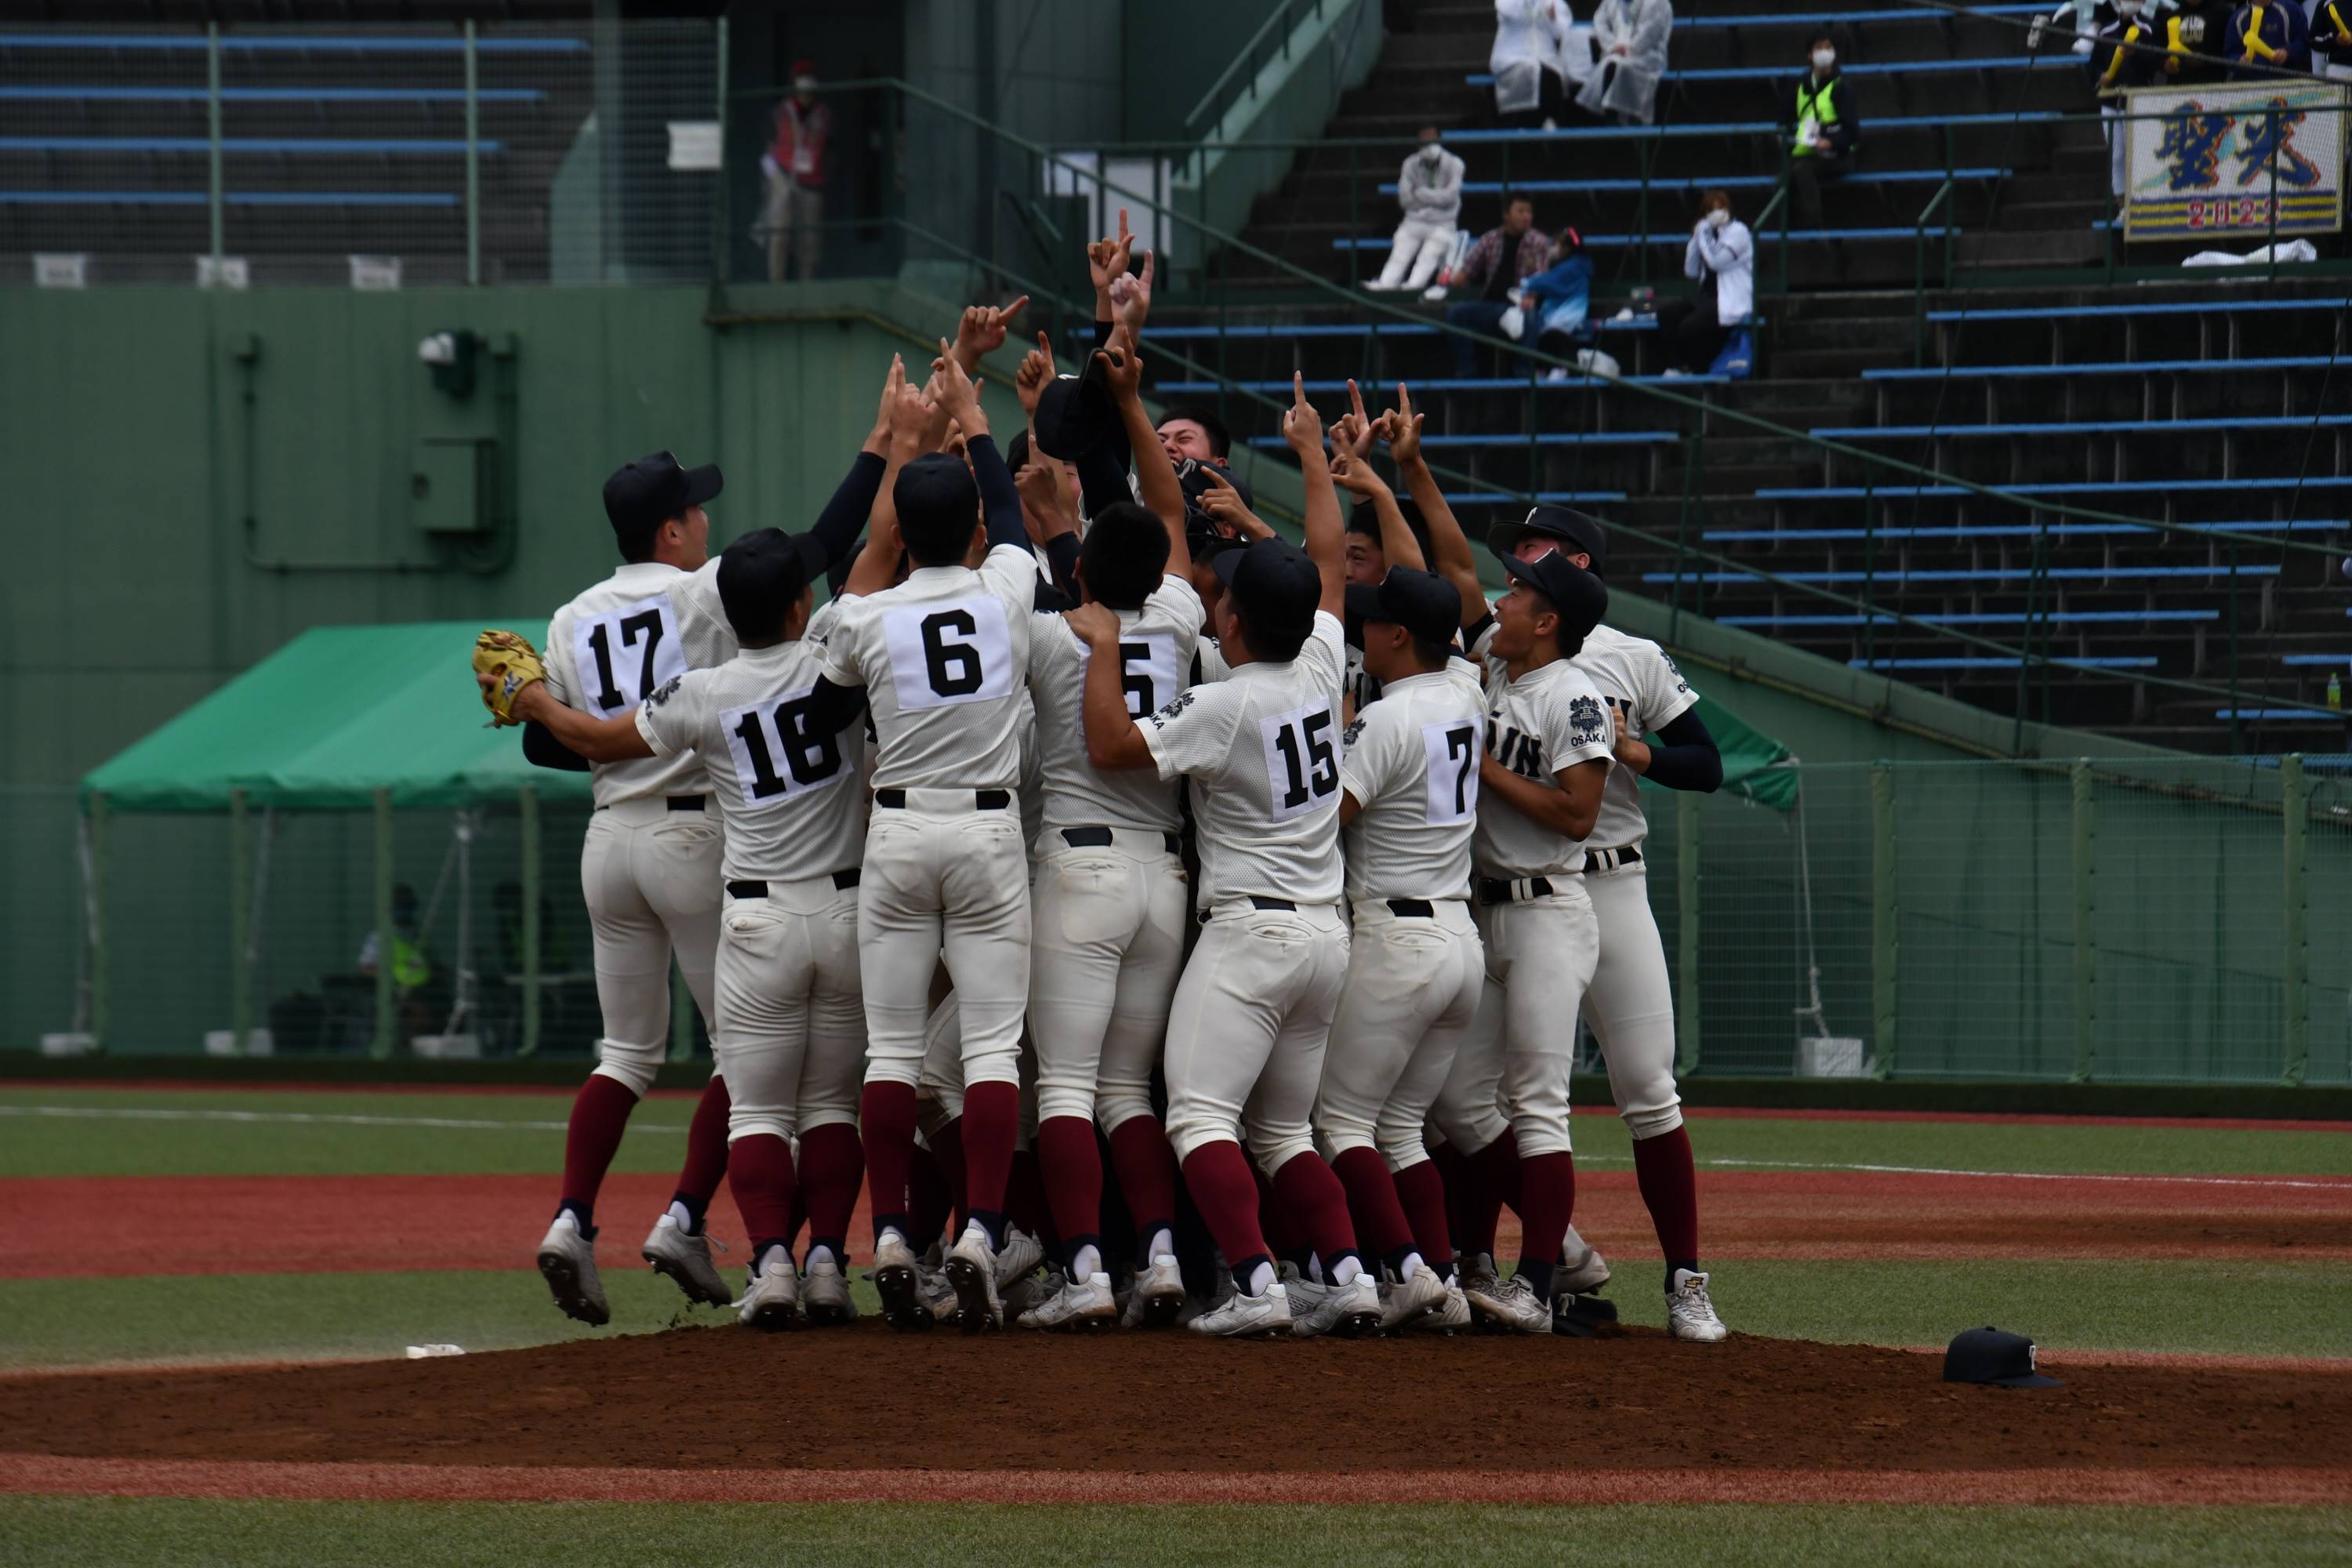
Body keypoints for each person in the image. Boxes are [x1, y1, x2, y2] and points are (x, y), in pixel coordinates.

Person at [1069, 373, 1376, 1341]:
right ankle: (1352, 1278)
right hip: (1327, 934)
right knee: (1284, 1130)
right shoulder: (1323, 664)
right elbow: (1327, 560)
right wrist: (1311, 458)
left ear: (1235, 621)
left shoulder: (1228, 699)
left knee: (1199, 1117)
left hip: (1252, 934)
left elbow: (1116, 749)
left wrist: (1106, 645)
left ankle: (1255, 1282)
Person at [808, 346, 1040, 1334]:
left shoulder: (866, 613)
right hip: (989, 831)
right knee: (989, 1049)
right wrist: (975, 419)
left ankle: (894, 1232)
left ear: (900, 528)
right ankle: (983, 1230)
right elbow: (1017, 519)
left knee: (893, 1051)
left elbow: (822, 716)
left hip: (897, 827)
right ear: (977, 531)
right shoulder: (1008, 586)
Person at [1489, 505, 1730, 1345]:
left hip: (1610, 882)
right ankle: (1541, 1259)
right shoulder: (1497, 649)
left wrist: (1642, 756)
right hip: (1514, 887)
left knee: (1648, 1087)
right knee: (1487, 1100)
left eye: (1530, 550)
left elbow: (1708, 763)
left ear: (1575, 565)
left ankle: (1685, 1281)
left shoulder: (1628, 655)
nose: (1513, 565)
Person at [523, 449, 746, 1327]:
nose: (706, 521)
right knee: (744, 1052)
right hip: (690, 832)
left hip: (607, 837)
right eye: (695, 509)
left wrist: (531, 698)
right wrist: (884, 450)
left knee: (625, 1054)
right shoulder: (705, 591)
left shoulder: (571, 615)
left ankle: (572, 1219)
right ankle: (686, 1216)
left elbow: (552, 745)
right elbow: (816, 546)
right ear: (671, 528)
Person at [1011, 334, 1200, 1332]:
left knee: (1068, 1090)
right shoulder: (1183, 614)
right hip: (1165, 879)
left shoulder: (1056, 630)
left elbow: (1037, 556)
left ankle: (1085, 1267)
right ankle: (1159, 1256)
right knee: (1132, 1091)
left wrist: (1025, 470)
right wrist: (1127, 406)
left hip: (1080, 869)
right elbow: (1165, 510)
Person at [1428, 532, 1613, 1334]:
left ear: (1548, 620)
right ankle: (1561, 1243)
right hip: (1487, 911)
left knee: (1538, 1105)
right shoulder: (1503, 667)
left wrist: (1485, 769)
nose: (1500, 599)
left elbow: (1578, 814)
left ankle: (1535, 1285)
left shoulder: (1572, 693)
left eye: (1518, 593)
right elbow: (1452, 570)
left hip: (1547, 912)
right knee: (1462, 1104)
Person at [1312, 564, 1488, 1334]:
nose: (1362, 629)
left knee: (1341, 1120)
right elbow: (1460, 656)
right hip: (1458, 939)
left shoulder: (1385, 719)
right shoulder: (1467, 693)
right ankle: (1441, 1279)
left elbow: (1327, 818)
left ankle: (1410, 1272)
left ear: (1399, 636)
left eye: (1374, 620)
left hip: (1398, 938)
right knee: (1402, 1127)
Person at [1444, 195, 1558, 378]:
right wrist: (1450, 278)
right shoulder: (1491, 239)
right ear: (1506, 214)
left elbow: (1542, 276)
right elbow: (1467, 270)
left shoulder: (1539, 242)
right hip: (1492, 307)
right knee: (1456, 314)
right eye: (1520, 211)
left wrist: (1532, 296)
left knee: (1531, 317)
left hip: (1520, 306)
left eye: (1529, 212)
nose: (1526, 216)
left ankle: (1523, 374)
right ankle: (1467, 372)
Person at [1655, 190, 1751, 376]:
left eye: (1720, 208)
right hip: (1706, 296)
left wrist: (1704, 237)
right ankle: (1680, 367)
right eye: (1710, 210)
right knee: (1667, 314)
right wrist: (1696, 238)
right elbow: (1690, 271)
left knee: (1690, 327)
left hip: (1729, 299)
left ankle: (1700, 370)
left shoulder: (1738, 232)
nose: (1715, 213)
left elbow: (1716, 262)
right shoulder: (1705, 234)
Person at [1369, 128, 1466, 293]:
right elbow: (1405, 200)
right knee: (1401, 249)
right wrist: (1435, 199)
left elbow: (1450, 197)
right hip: (1415, 220)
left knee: (1429, 254)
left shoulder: (1455, 164)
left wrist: (1420, 193)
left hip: (1443, 222)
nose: (1429, 146)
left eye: (1433, 141)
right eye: (1424, 142)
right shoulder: (1410, 164)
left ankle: (1413, 287)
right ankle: (1386, 284)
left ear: (1440, 142)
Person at [761, 60, 829, 282]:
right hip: (782, 177)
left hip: (812, 182)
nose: (805, 93)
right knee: (779, 234)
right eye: (802, 86)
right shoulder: (780, 111)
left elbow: (831, 149)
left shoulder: (824, 115)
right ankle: (776, 286)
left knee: (809, 241)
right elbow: (767, 150)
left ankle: (806, 289)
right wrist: (775, 178)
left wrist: (824, 175)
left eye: (810, 86)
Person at [2090, 2, 2163, 202]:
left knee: (2139, 153)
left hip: (2138, 100)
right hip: (2111, 100)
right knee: (2117, 155)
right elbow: (2094, 63)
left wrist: (2136, 54)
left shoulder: (2150, 28)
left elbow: (2155, 64)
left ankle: (2142, 200)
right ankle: (2122, 204)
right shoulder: (2107, 31)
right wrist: (2100, 76)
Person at [1790, 34, 1860, 232]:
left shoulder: (1842, 87)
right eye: (1819, 47)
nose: (1824, 52)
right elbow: (1785, 115)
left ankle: (1814, 227)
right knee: (1784, 179)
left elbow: (1853, 131)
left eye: (1828, 47)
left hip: (1839, 154)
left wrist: (1830, 143)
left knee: (1803, 170)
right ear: (1809, 55)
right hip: (1807, 151)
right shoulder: (1801, 85)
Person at [1517, 227, 1594, 380]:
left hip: (1569, 314)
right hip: (1556, 312)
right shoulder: (1567, 265)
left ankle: (1560, 367)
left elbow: (1544, 282)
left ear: (1567, 248)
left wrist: (1527, 284)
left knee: (1551, 335)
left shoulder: (1574, 266)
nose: (1553, 248)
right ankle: (1544, 368)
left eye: (1556, 245)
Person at [1578, 0, 1673, 125]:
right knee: (1610, 65)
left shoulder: (1658, 3)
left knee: (1617, 66)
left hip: (1648, 56)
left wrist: (1628, 48)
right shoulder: (1611, 2)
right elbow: (1599, 22)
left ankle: (1620, 119)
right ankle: (1611, 119)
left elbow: (1650, 33)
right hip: (1618, 52)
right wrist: (1613, 45)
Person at [1492, 0, 1570, 128]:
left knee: (1555, 74)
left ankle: (1549, 120)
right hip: (1513, 56)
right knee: (1531, 72)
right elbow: (1508, 10)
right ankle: (1525, 121)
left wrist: (1552, 18)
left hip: (1546, 56)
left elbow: (1561, 31)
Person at [2226, 0, 2312, 74]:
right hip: (2249, 80)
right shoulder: (2238, 18)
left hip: (2286, 76)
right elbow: (2229, 54)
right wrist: (2240, 61)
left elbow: (2304, 41)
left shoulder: (2290, 9)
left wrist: (2288, 52)